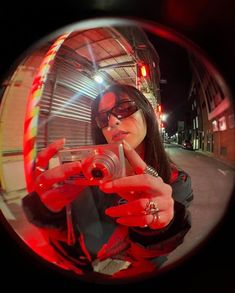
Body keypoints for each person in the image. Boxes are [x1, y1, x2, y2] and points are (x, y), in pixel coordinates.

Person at [22, 84, 193, 281]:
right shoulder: (92, 175)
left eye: (123, 108)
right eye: (103, 118)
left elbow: (151, 258)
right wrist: (48, 211)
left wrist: (161, 228)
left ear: (147, 112)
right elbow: (70, 238)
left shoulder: (176, 181)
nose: (112, 122)